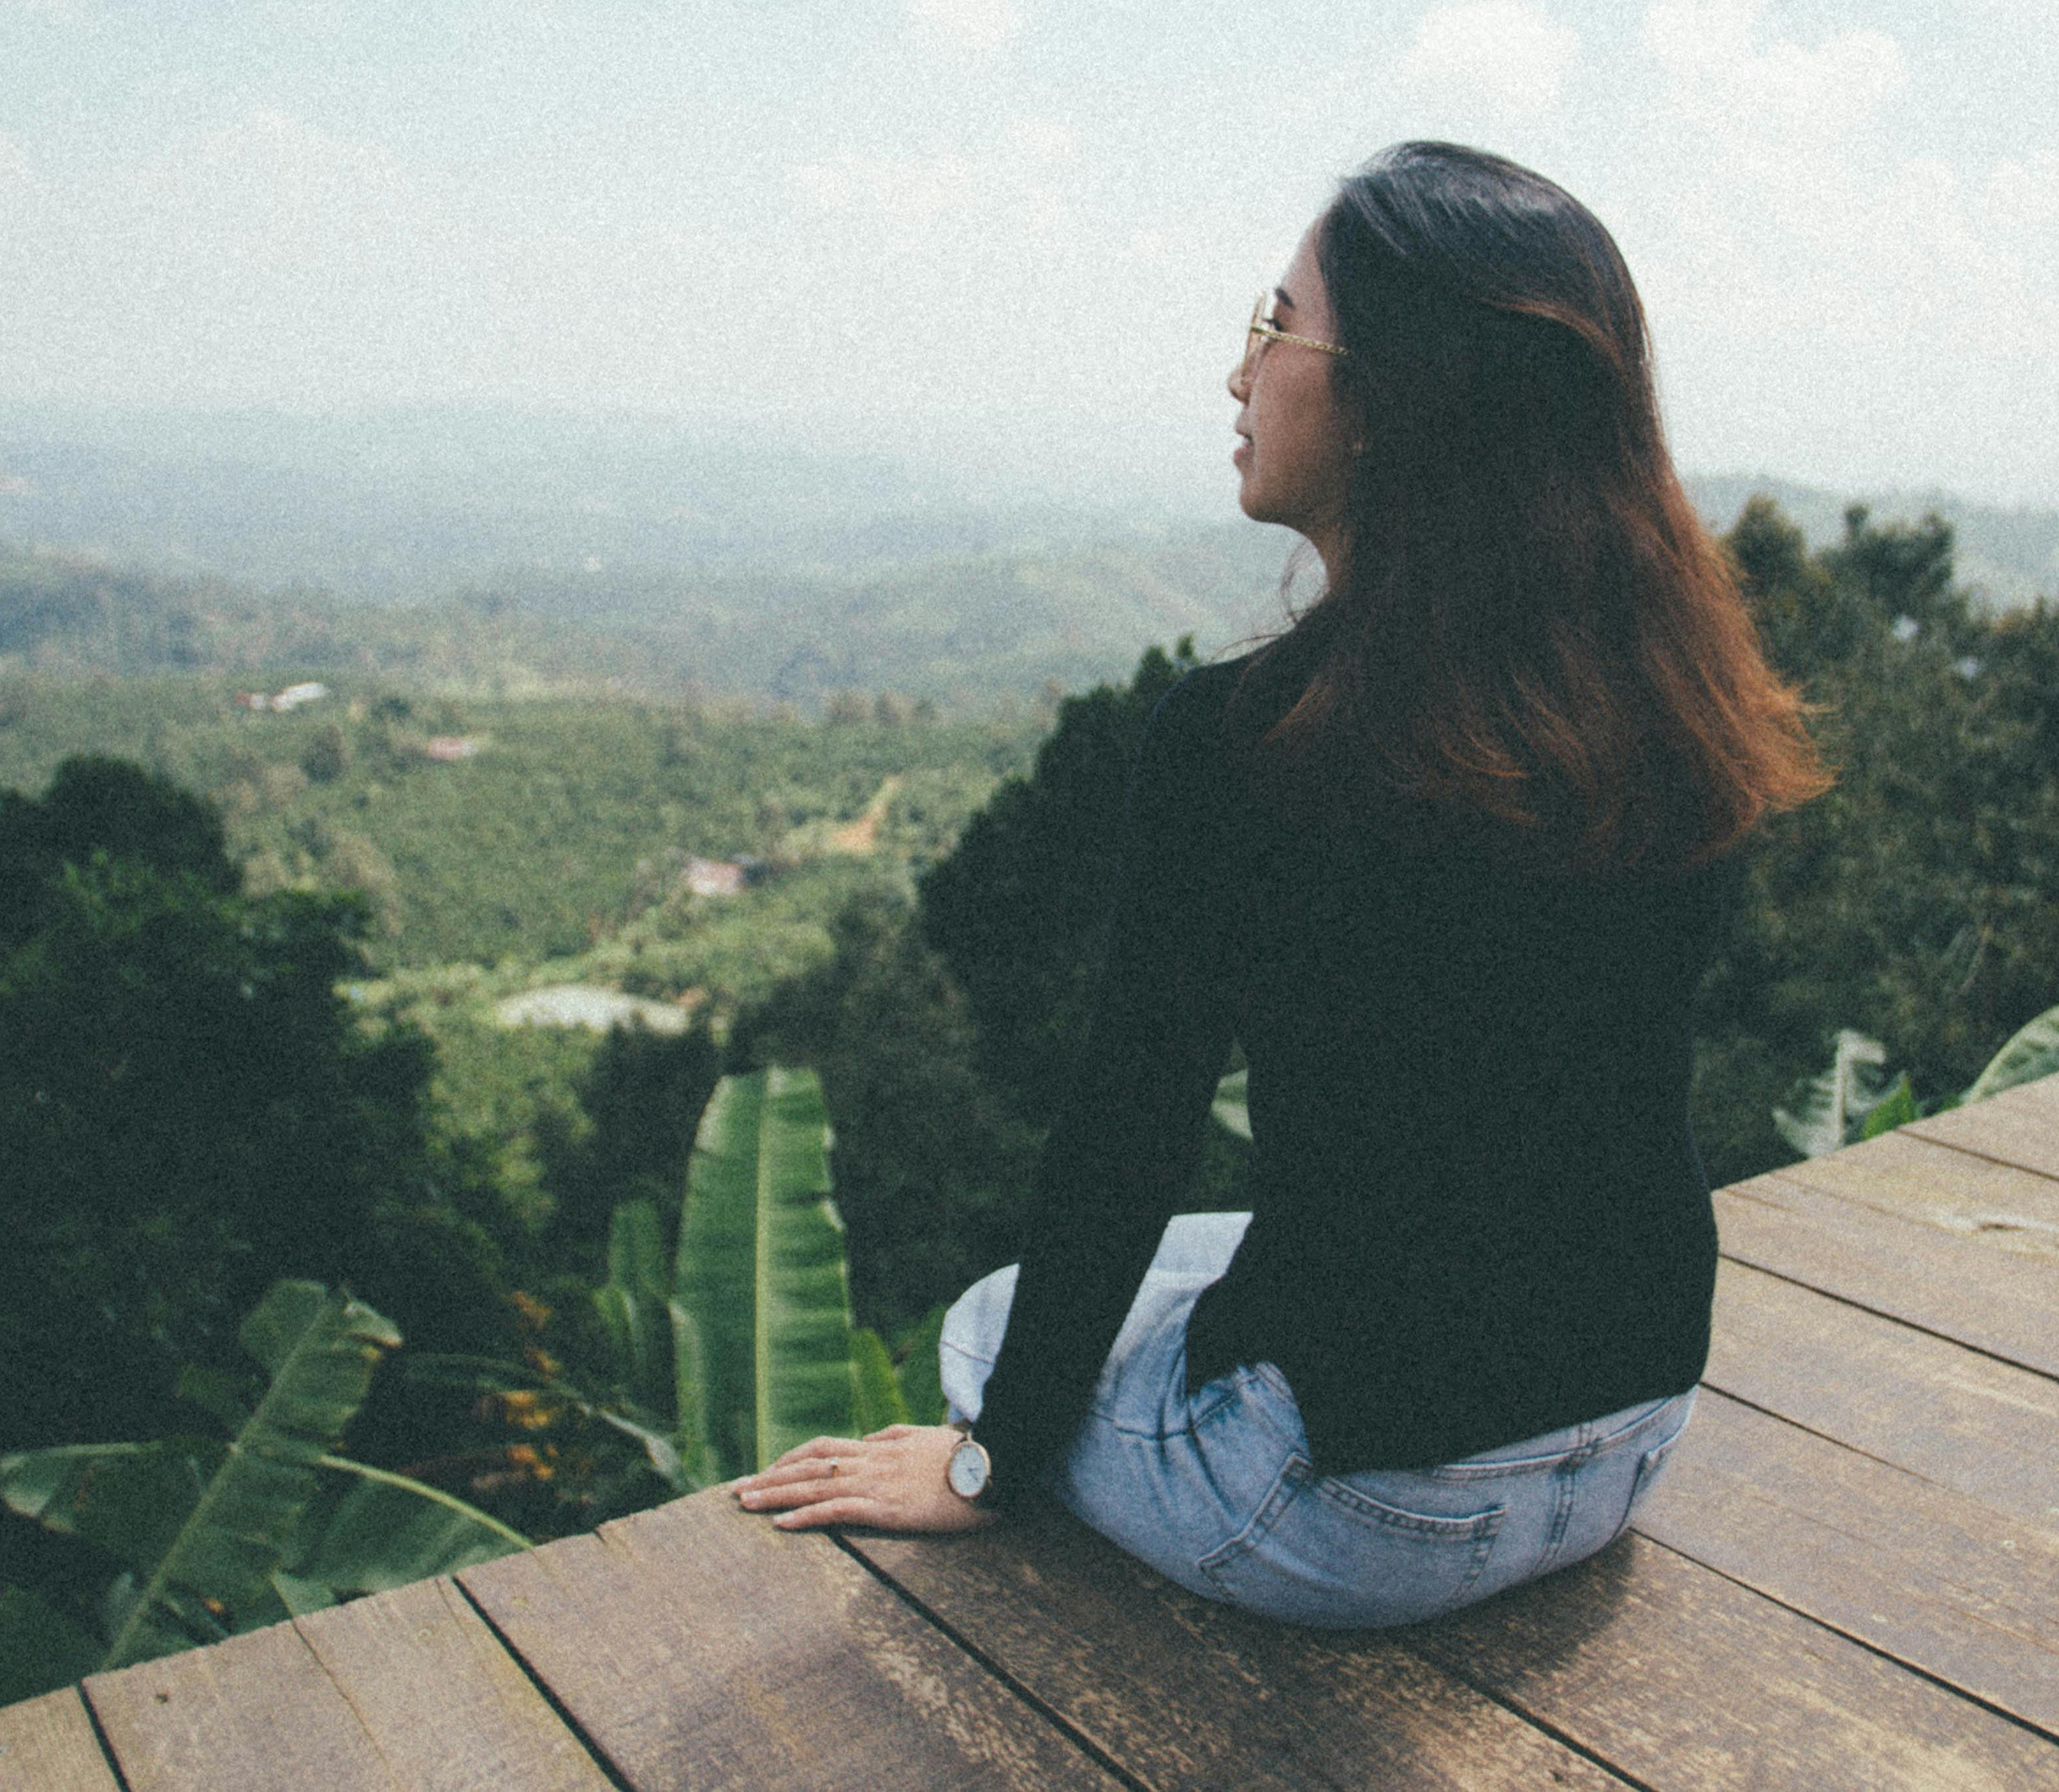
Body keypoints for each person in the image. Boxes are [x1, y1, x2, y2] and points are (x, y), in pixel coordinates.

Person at [735, 142, 1825, 1628]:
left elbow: (1132, 1128)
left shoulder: (1248, 739)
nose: (1239, 374)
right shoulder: (1669, 694)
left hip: (1375, 1515)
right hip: (1632, 1435)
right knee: (1208, 1267)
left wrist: (989, 1468)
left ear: (1390, 399)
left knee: (997, 1320)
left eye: (1275, 325)